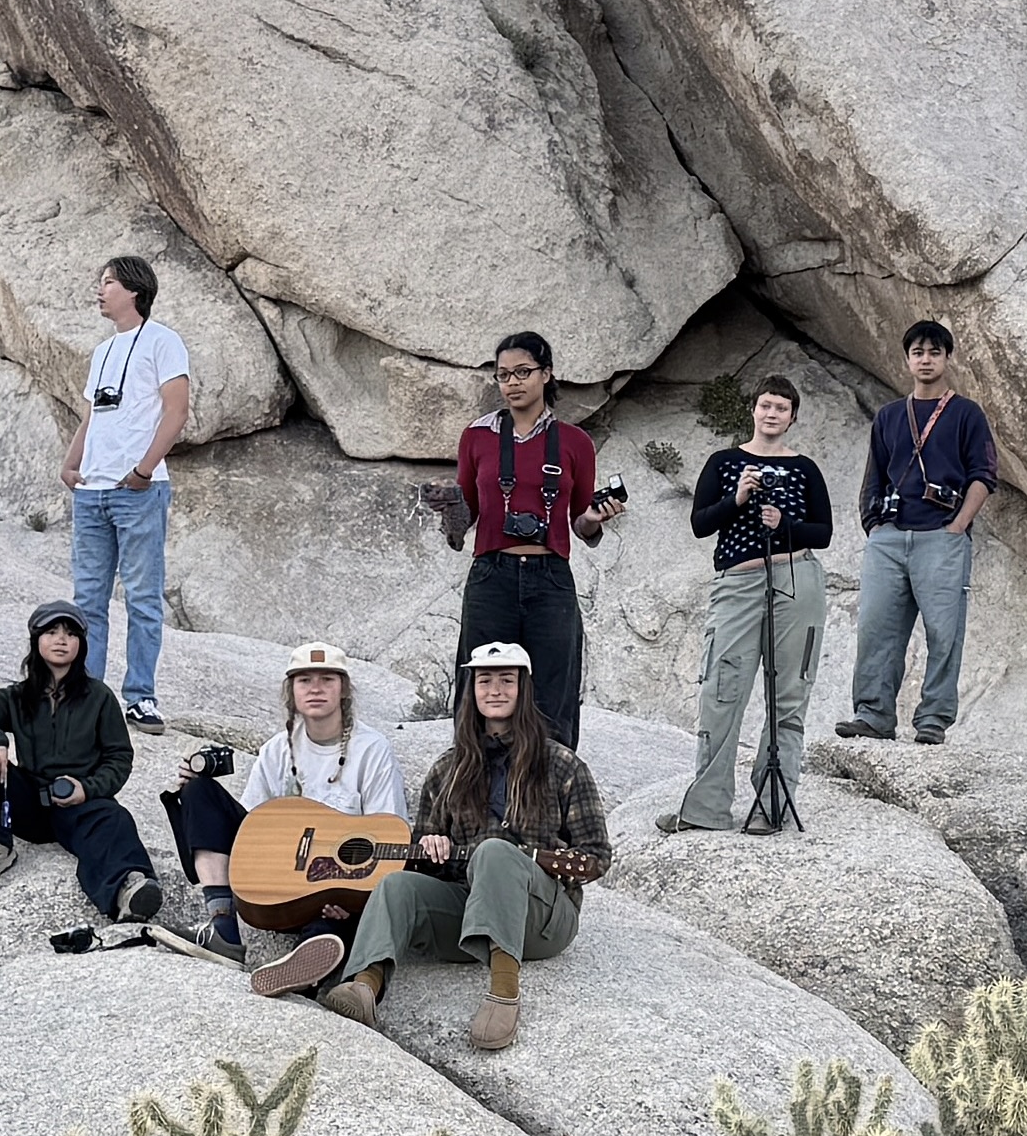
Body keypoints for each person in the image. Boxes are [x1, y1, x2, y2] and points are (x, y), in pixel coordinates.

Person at [323, 642, 609, 1054]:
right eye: (485, 680)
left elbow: (597, 855)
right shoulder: (447, 768)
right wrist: (430, 847)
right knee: (397, 886)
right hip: (467, 909)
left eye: (506, 681)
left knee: (494, 851)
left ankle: (504, 990)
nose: (495, 690)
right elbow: (420, 860)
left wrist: (534, 861)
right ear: (471, 690)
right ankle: (365, 986)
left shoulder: (562, 765)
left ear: (523, 689)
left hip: (542, 919)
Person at [153, 639, 407, 993]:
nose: (315, 688)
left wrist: (352, 896)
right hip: (280, 880)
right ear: (291, 691)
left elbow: (387, 834)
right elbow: (253, 828)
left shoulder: (371, 749)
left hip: (336, 890)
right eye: (304, 680)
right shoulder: (276, 749)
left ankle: (307, 967)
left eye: (327, 679)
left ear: (344, 689)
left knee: (331, 919)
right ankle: (222, 926)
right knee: (197, 790)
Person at [422, 332, 623, 748]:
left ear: (546, 374)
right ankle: (475, 789)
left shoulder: (575, 442)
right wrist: (450, 512)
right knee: (480, 687)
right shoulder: (477, 436)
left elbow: (581, 526)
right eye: (503, 375)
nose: (512, 383)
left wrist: (594, 517)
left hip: (550, 577)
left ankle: (552, 791)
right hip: (492, 575)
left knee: (554, 693)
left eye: (522, 372)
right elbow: (464, 525)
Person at [661, 375, 833, 836]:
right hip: (737, 581)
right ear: (752, 411)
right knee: (722, 688)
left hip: (795, 576)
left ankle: (772, 804)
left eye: (782, 407)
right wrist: (736, 498)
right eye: (765, 405)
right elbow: (700, 524)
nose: (772, 413)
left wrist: (786, 522)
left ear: (793, 417)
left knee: (789, 692)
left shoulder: (805, 468)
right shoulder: (724, 461)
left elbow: (825, 532)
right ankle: (706, 806)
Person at [0, 601, 162, 923]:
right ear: (36, 640)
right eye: (51, 631)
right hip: (27, 804)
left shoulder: (99, 697)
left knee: (114, 817)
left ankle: (128, 888)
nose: (61, 639)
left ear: (81, 644)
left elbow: (119, 758)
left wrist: (88, 789)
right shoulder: (18, 696)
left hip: (76, 804)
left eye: (70, 633)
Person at [838, 320, 998, 743]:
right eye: (918, 353)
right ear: (907, 359)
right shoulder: (890, 415)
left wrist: (959, 525)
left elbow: (984, 474)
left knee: (944, 631)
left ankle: (933, 718)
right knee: (876, 627)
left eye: (934, 352)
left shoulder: (966, 413)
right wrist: (873, 525)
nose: (925, 360)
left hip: (941, 536)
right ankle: (873, 714)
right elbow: (873, 475)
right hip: (890, 536)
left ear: (947, 358)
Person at [64, 255, 191, 733]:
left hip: (138, 490)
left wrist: (143, 470)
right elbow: (93, 415)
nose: (100, 290)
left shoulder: (163, 341)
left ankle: (140, 696)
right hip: (92, 491)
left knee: (141, 597)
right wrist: (71, 462)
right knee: (88, 600)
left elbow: (176, 411)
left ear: (134, 290)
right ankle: (86, 697)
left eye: (109, 282)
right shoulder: (101, 352)